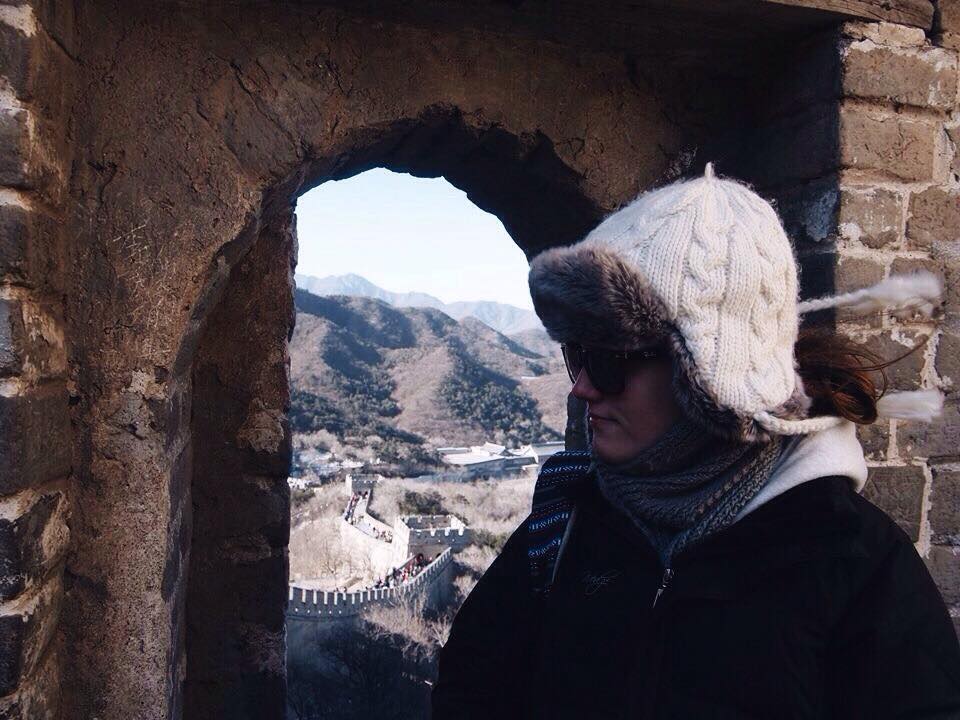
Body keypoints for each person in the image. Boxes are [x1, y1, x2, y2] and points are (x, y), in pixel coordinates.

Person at [432, 164, 960, 719]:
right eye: (577, 356)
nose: (582, 388)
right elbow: (472, 691)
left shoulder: (852, 565)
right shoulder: (563, 527)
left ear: (706, 375)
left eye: (609, 361)